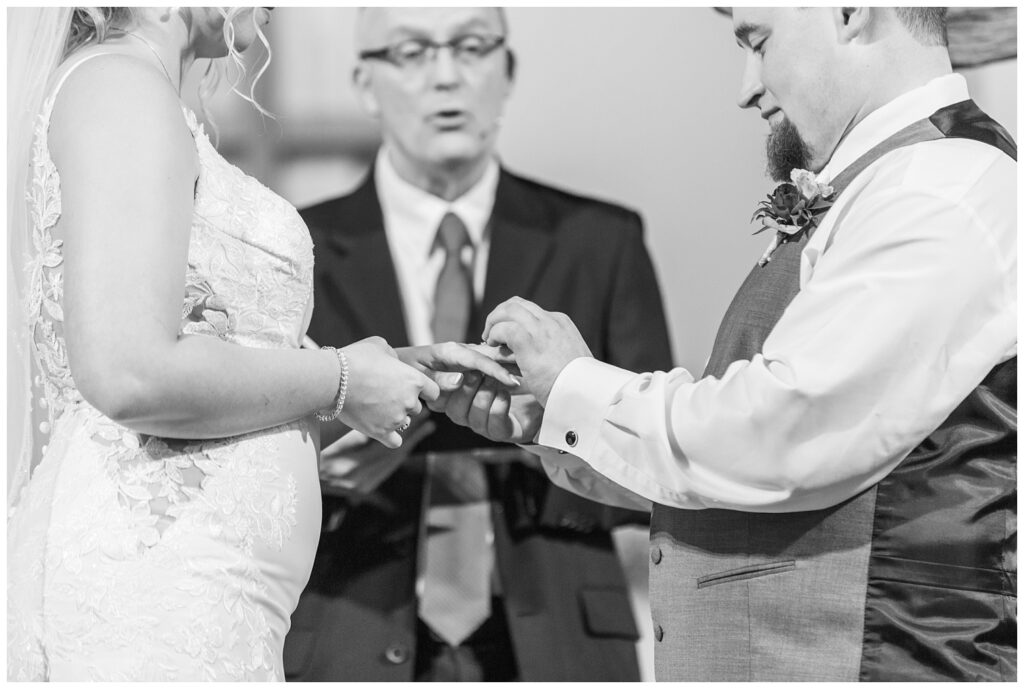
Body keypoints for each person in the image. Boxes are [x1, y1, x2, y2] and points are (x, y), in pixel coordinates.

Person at [442, 7, 1016, 682]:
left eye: (757, 40)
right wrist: (551, 419)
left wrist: (577, 383)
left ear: (851, 11)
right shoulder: (888, 184)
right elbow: (747, 474)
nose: (744, 86)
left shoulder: (938, 189)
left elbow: (779, 429)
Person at [5, 7, 515, 681]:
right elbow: (127, 371)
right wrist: (338, 378)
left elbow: (201, 385)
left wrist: (389, 375)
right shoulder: (120, 90)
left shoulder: (137, 89)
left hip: (207, 595)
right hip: (155, 590)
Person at [282, 7, 673, 682]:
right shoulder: (294, 248)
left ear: (507, 69)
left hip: (562, 636)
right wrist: (311, 474)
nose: (446, 76)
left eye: (470, 46)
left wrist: (549, 437)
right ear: (364, 82)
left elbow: (658, 470)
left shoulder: (601, 241)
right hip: (346, 628)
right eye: (410, 52)